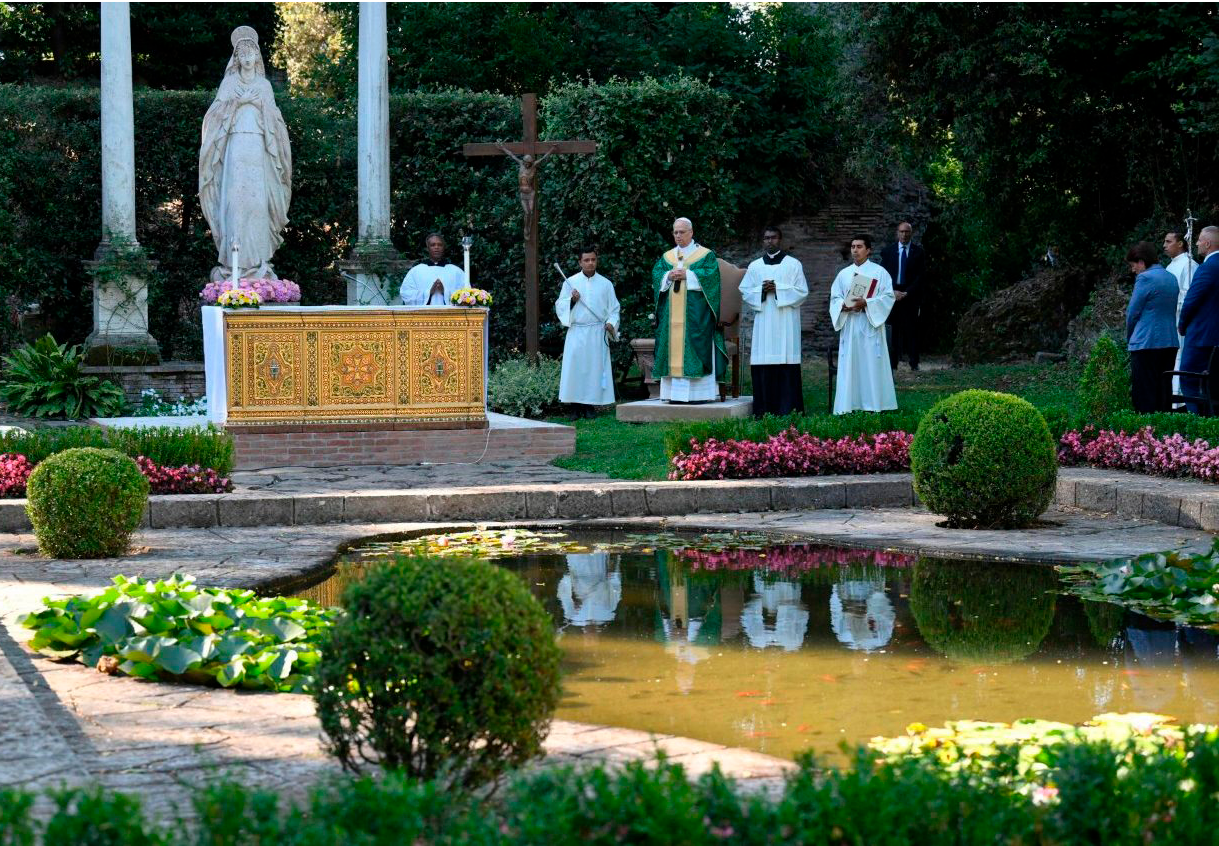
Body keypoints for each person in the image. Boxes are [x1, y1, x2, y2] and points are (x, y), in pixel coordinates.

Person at [199, 26, 292, 283]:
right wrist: (238, 103)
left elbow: (275, 121)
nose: (248, 57)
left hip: (259, 150)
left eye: (251, 52)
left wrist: (257, 103)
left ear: (257, 57)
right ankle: (233, 267)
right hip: (235, 149)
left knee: (257, 204)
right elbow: (214, 118)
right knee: (235, 203)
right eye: (243, 53)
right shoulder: (229, 84)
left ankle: (260, 264)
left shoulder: (264, 86)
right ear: (236, 58)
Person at [652, 217, 727, 403]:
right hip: (671, 316)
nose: (678, 235)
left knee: (695, 347)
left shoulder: (705, 255)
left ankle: (699, 395)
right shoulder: (667, 257)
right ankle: (672, 395)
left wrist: (689, 275)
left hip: (696, 315)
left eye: (682, 232)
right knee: (671, 348)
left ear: (691, 232)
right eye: (675, 232)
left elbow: (712, 278)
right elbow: (656, 275)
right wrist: (667, 275)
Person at [740, 226, 808, 417]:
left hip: (786, 320)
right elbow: (745, 290)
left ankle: (789, 409)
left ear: (780, 239)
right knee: (764, 361)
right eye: (766, 238)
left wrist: (778, 289)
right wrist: (762, 290)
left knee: (786, 360)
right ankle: (764, 410)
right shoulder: (755, 266)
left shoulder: (793, 264)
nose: (769, 241)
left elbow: (802, 291)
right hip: (764, 322)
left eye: (773, 238)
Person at [829, 235, 897, 414]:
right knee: (850, 365)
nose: (855, 250)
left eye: (859, 246)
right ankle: (848, 406)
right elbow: (834, 297)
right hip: (850, 325)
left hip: (869, 325)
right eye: (852, 246)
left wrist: (866, 303)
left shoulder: (879, 273)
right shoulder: (843, 274)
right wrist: (841, 305)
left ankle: (873, 405)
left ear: (868, 250)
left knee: (871, 366)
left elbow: (888, 297)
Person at [555, 246, 620, 418]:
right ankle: (575, 407)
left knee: (593, 369)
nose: (590, 263)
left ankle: (589, 406)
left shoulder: (606, 284)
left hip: (597, 331)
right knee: (575, 368)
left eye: (593, 259)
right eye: (586, 260)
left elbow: (614, 309)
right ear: (580, 262)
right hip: (577, 331)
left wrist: (611, 324)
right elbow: (560, 306)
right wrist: (572, 300)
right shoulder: (570, 282)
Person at [1124, 241, 1179, 413]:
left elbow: (1132, 313)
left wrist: (1130, 337)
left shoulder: (1145, 278)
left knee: (1144, 393)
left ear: (1141, 261)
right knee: (1164, 391)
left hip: (1146, 343)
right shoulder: (1171, 277)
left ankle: (1146, 434)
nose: (1133, 270)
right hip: (1170, 341)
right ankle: (1166, 435)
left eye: (1133, 265)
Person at [1177, 225, 1219, 414]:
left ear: (1208, 244)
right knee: (1214, 387)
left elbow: (1192, 301)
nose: (1196, 243)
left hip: (1202, 336)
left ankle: (1197, 430)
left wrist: (1182, 325)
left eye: (1200, 239)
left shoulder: (1207, 268)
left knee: (1189, 381)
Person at [879, 221, 926, 371]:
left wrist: (907, 292)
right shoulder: (888, 251)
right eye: (901, 231)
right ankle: (892, 364)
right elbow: (882, 275)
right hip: (891, 295)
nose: (904, 234)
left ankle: (914, 363)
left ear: (911, 233)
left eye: (907, 232)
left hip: (909, 295)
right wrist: (892, 291)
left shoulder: (918, 252)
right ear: (897, 233)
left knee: (912, 330)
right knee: (893, 330)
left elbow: (921, 276)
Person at [1165, 230, 1199, 404]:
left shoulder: (1189, 265)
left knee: (1180, 356)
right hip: (1169, 319)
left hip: (1181, 319)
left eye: (1169, 241)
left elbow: (1189, 296)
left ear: (1180, 243)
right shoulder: (1171, 265)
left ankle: (1181, 401)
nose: (1164, 245)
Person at [399, 233, 465, 306]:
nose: (436, 247)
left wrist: (445, 292)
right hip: (423, 316)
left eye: (440, 245)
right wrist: (428, 293)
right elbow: (405, 293)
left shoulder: (456, 271)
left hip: (450, 316)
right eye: (433, 245)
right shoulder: (416, 271)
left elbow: (466, 294)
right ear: (428, 248)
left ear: (444, 247)